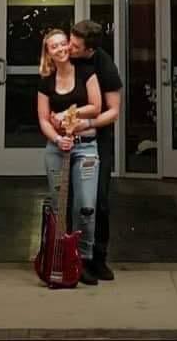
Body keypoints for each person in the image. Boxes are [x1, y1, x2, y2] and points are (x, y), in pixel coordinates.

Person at [36, 28, 102, 285]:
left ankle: (82, 260)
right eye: (54, 46)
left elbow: (96, 107)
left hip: (85, 147)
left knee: (86, 206)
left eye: (64, 43)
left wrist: (66, 115)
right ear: (48, 53)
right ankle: (58, 259)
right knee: (58, 207)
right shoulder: (45, 80)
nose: (61, 48)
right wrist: (57, 137)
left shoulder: (86, 72)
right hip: (57, 149)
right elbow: (43, 119)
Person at [62, 19, 122, 281]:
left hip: (99, 139)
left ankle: (98, 257)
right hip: (68, 138)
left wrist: (87, 123)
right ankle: (74, 258)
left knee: (99, 200)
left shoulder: (104, 65)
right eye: (69, 41)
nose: (69, 48)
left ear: (89, 50)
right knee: (73, 200)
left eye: (75, 46)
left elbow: (114, 112)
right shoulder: (66, 57)